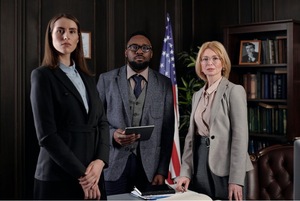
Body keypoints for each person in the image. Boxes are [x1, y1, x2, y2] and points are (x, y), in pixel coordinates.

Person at [30, 13, 109, 200]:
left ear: (78, 38)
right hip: (58, 178)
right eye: (60, 31)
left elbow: (103, 123)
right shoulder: (42, 76)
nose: (66, 36)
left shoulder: (88, 78)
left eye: (72, 32)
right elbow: (47, 136)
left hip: (94, 175)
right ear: (50, 36)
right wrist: (83, 176)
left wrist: (100, 162)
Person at [96, 31, 174, 195]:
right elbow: (95, 123)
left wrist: (161, 170)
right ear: (126, 52)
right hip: (113, 163)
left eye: (145, 48)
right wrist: (112, 135)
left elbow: (167, 131)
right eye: (134, 47)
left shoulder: (164, 84)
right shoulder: (106, 80)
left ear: (151, 53)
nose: (139, 51)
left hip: (150, 169)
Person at [175, 41, 253, 200]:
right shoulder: (197, 95)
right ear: (200, 65)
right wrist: (185, 172)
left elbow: (240, 138)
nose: (209, 63)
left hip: (226, 166)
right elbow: (191, 138)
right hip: (200, 162)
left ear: (223, 63)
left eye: (215, 58)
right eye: (205, 59)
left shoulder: (234, 91)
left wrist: (236, 180)